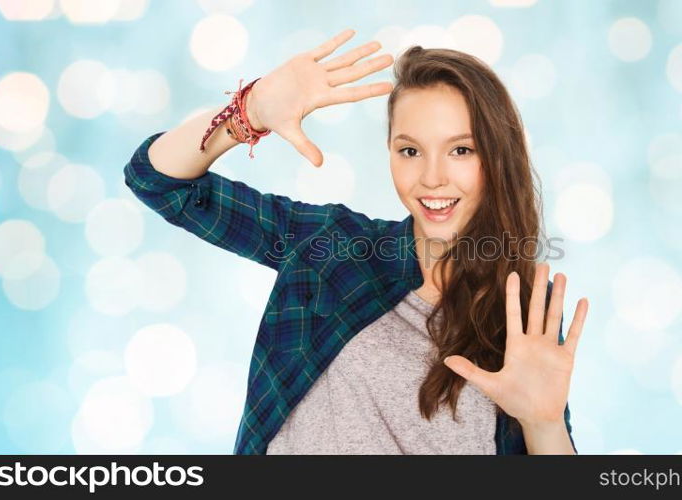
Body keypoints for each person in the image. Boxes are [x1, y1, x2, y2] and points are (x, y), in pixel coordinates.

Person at [123, 28, 589, 455]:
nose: (431, 177)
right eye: (410, 150)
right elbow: (157, 181)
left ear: (496, 157)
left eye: (460, 150)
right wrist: (251, 110)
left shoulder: (521, 312)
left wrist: (546, 424)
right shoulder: (333, 247)